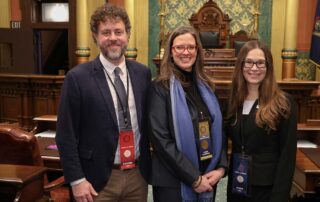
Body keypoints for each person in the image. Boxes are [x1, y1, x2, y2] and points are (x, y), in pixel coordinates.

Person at [55, 3, 151, 202]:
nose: (113, 38)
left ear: (128, 35)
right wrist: (77, 180)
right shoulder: (77, 78)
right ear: (95, 37)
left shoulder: (143, 73)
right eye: (106, 32)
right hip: (96, 180)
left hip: (137, 176)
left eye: (118, 31)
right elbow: (66, 134)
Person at [147, 26, 227, 202]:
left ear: (197, 51)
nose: (186, 52)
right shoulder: (160, 88)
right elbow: (160, 139)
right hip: (172, 183)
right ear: (171, 51)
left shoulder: (207, 86)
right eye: (179, 47)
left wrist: (220, 168)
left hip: (207, 176)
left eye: (191, 47)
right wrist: (193, 178)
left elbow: (218, 130)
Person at [225, 40, 297, 202]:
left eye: (260, 63)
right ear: (241, 65)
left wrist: (279, 196)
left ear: (269, 67)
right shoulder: (233, 101)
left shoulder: (283, 103)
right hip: (238, 184)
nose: (254, 68)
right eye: (249, 62)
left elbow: (287, 156)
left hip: (267, 189)